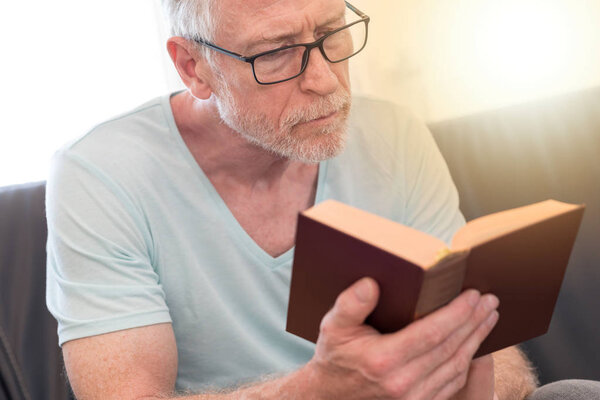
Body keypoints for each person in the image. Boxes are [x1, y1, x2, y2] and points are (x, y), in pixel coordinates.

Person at [46, 0, 540, 398]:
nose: (324, 81)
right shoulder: (101, 175)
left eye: (331, 31)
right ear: (193, 67)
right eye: (274, 53)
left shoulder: (395, 134)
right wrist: (318, 390)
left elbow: (489, 343)